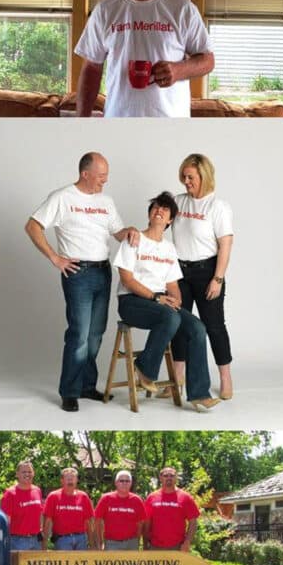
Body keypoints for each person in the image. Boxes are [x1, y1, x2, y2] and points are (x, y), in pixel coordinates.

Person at [26, 152, 139, 412]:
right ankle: (69, 391)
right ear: (85, 174)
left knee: (96, 334)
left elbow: (117, 232)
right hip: (78, 274)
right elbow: (33, 226)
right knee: (79, 334)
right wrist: (55, 257)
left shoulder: (106, 201)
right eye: (101, 176)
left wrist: (129, 232)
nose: (104, 181)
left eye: (106, 176)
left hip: (103, 271)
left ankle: (88, 386)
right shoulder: (62, 197)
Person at [74, 0, 214, 117]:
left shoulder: (182, 9)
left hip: (170, 123)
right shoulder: (105, 10)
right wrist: (81, 121)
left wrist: (178, 70)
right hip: (119, 122)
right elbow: (92, 67)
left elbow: (207, 60)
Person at [113, 191, 220, 412]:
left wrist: (176, 301)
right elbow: (127, 279)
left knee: (197, 327)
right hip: (132, 302)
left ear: (171, 220)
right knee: (170, 317)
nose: (159, 211)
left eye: (165, 209)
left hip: (160, 303)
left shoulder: (169, 248)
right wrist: (155, 297)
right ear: (150, 214)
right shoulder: (134, 239)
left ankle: (199, 393)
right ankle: (145, 368)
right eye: (155, 207)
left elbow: (172, 284)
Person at [167, 153, 234, 400]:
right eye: (183, 176)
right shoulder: (178, 201)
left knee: (214, 326)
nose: (186, 181)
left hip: (207, 272)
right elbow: (158, 223)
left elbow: (225, 245)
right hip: (178, 272)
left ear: (204, 176)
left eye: (190, 177)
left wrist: (217, 279)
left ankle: (225, 378)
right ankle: (178, 377)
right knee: (178, 325)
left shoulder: (218, 207)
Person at [143, 467, 200, 552]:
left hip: (178, 547)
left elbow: (193, 522)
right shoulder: (152, 497)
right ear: (160, 478)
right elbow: (147, 522)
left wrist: (187, 542)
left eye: (172, 475)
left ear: (176, 477)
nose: (169, 478)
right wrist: (145, 542)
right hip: (155, 547)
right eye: (166, 475)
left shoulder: (185, 497)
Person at [42, 468, 96, 550]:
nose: (70, 481)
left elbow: (89, 521)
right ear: (62, 480)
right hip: (62, 539)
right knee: (64, 563)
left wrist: (92, 544)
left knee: (81, 562)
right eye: (67, 478)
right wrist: (44, 544)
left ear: (77, 480)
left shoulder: (83, 496)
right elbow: (47, 521)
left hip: (81, 539)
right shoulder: (53, 496)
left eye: (73, 478)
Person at [94, 471, 146, 551]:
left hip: (131, 543)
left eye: (127, 481)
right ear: (116, 483)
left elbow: (140, 524)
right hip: (111, 543)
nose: (124, 483)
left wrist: (137, 541)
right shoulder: (106, 498)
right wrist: (99, 543)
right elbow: (97, 521)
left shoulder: (137, 500)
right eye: (121, 481)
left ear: (131, 483)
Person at [0, 461, 46, 551]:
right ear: (17, 474)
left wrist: (41, 530)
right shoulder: (10, 493)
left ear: (33, 473)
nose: (27, 474)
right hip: (17, 541)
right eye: (24, 472)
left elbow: (40, 512)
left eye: (29, 472)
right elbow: (6, 521)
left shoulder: (37, 490)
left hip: (36, 540)